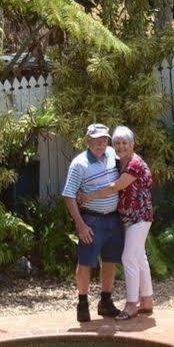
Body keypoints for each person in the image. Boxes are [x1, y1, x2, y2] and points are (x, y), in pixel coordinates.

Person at [62, 123, 124, 322]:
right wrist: (80, 225)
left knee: (110, 261)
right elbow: (69, 195)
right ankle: (82, 302)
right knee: (85, 262)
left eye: (104, 139)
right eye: (96, 140)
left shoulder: (113, 155)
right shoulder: (79, 164)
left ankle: (105, 302)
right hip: (91, 220)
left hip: (113, 219)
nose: (101, 143)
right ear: (88, 142)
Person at [109, 126, 155, 317]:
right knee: (139, 257)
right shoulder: (122, 162)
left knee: (128, 258)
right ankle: (147, 299)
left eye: (124, 143)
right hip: (131, 218)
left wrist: (90, 194)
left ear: (132, 144)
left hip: (139, 217)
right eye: (117, 143)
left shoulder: (134, 164)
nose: (120, 147)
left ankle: (131, 304)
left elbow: (117, 186)